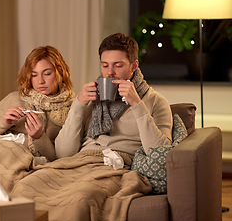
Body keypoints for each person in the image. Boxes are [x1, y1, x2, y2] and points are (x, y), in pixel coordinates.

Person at [55, 33, 172, 164]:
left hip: (116, 165)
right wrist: (78, 105)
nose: (109, 72)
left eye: (118, 65)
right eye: (105, 65)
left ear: (134, 66)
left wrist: (137, 105)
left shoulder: (156, 102)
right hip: (80, 162)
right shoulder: (91, 98)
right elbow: (62, 154)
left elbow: (160, 156)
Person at [0, 45, 74, 162]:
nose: (40, 81)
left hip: (19, 161)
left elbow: (59, 159)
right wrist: (2, 123)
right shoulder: (15, 99)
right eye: (34, 75)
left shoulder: (71, 109)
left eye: (47, 73)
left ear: (60, 73)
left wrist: (39, 137)